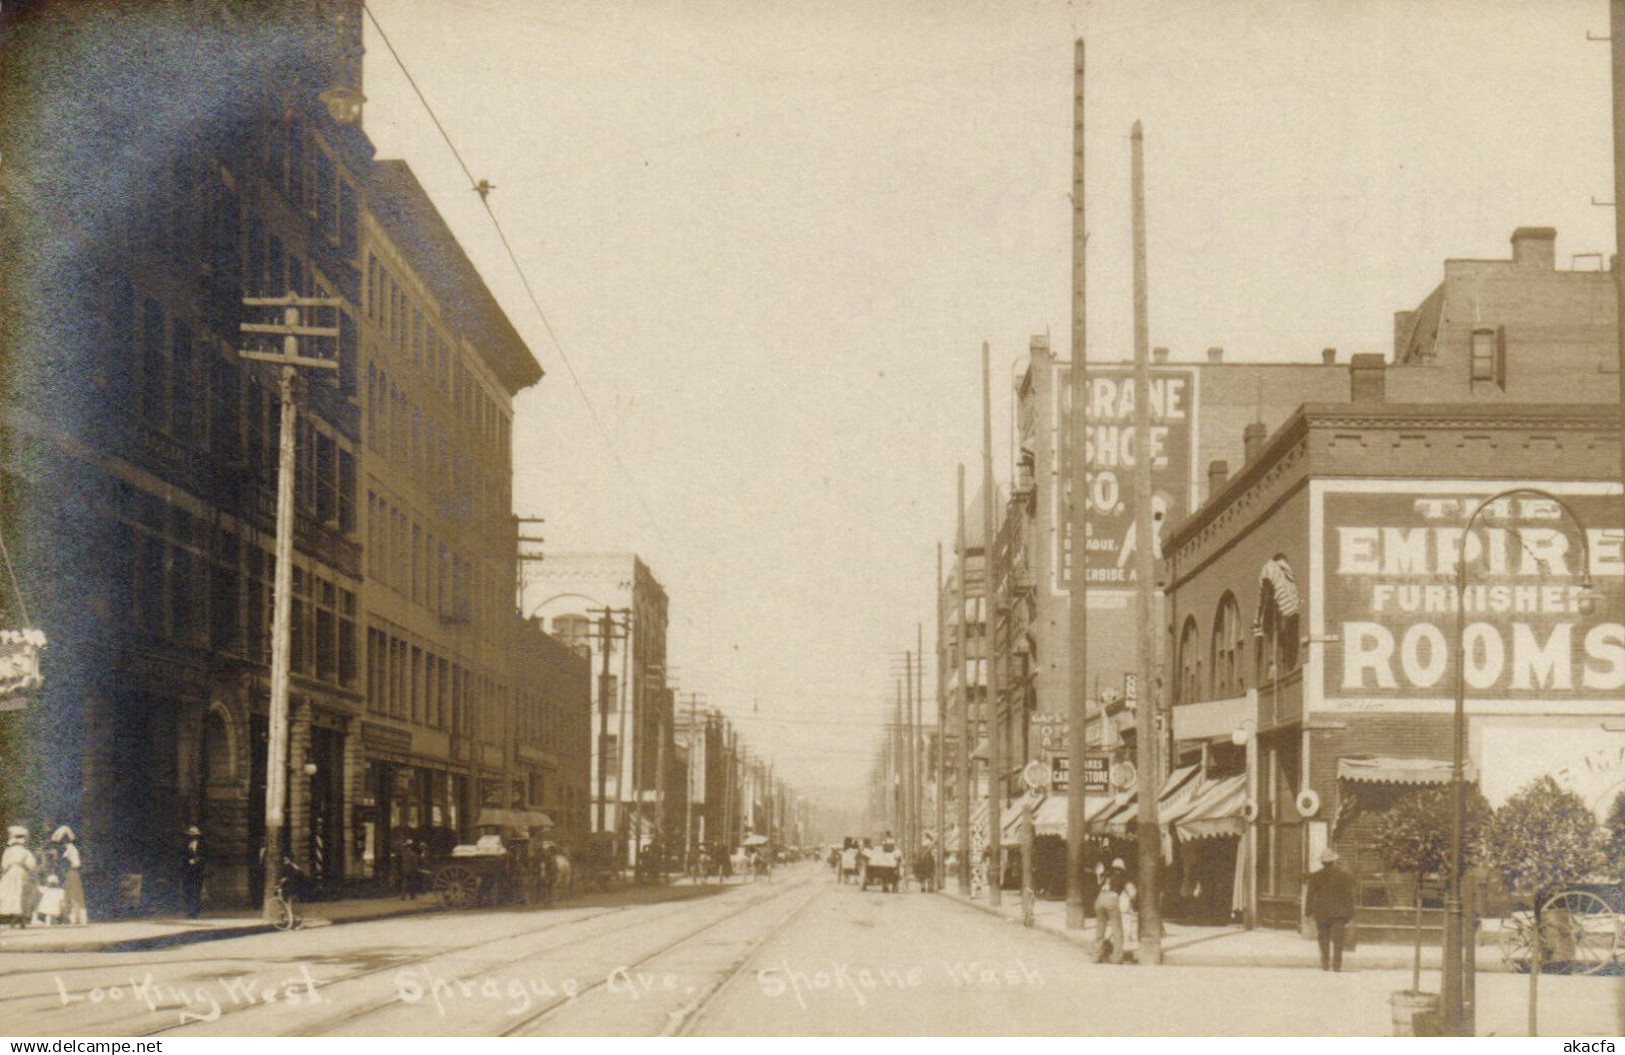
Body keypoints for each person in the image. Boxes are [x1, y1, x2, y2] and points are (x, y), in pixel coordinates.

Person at [1305, 847, 1356, 971]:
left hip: (1322, 913)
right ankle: (1337, 966)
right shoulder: (1345, 876)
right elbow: (1349, 896)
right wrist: (1351, 915)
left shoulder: (1315, 876)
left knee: (1323, 939)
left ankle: (1325, 964)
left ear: (1322, 862)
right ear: (1334, 861)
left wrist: (1308, 913)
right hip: (1340, 913)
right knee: (1338, 941)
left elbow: (1310, 895)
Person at [1094, 858, 1133, 964]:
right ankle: (1117, 958)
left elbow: (1098, 884)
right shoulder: (1122, 877)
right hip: (1111, 899)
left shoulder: (1106, 875)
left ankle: (1096, 956)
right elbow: (1132, 892)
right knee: (1118, 931)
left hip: (1099, 899)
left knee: (1100, 930)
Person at [0, 826, 37, 928]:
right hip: (21, 872)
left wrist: (4, 872)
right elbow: (32, 865)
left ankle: (13, 919)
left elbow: (4, 865)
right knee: (21, 893)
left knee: (11, 893)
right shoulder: (25, 852)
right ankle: (20, 920)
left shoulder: (8, 851)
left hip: (10, 872)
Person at [51, 826, 87, 925]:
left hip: (72, 872)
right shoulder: (67, 849)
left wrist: (65, 862)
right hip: (68, 872)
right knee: (68, 894)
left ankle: (77, 918)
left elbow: (76, 863)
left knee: (74, 894)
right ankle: (68, 917)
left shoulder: (71, 849)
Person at [181, 826, 205, 919]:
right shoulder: (185, 845)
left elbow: (205, 856)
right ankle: (189, 910)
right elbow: (182, 856)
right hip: (187, 872)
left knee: (196, 891)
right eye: (191, 835)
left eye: (194, 835)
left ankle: (194, 912)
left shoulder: (202, 845)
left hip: (198, 872)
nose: (192, 837)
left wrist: (196, 860)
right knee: (187, 891)